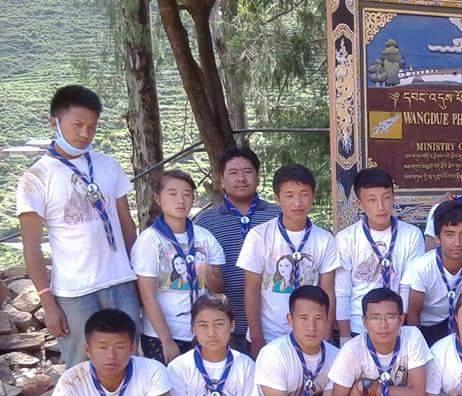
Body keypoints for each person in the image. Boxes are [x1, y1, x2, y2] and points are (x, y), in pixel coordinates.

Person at [17, 85, 140, 367]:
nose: (85, 133)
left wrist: (138, 277)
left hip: (121, 282)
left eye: (92, 127)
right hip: (75, 293)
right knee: (82, 368)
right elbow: (31, 247)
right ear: (54, 123)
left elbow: (126, 224)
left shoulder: (108, 166)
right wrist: (48, 302)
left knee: (128, 362)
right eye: (77, 124)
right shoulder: (36, 177)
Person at [237, 164, 339, 357]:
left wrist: (325, 337)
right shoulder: (259, 236)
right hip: (270, 335)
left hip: (311, 336)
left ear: (313, 196)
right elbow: (251, 289)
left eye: (304, 194)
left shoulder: (325, 239)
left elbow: (328, 291)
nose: (297, 202)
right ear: (277, 198)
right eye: (289, 195)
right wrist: (257, 338)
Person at [132, 170, 225, 364]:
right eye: (172, 194)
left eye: (187, 194)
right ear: (158, 198)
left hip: (202, 332)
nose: (180, 200)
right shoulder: (150, 241)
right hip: (161, 335)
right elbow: (147, 296)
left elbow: (218, 290)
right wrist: (166, 340)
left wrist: (209, 276)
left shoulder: (205, 237)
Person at [195, 147, 281, 354]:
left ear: (258, 177)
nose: (241, 178)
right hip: (222, 326)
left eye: (248, 171)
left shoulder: (278, 216)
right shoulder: (205, 222)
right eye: (233, 173)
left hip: (272, 325)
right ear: (221, 181)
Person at [335, 168, 425, 342]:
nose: (381, 206)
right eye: (372, 200)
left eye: (386, 197)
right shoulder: (346, 238)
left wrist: (399, 324)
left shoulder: (411, 235)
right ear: (359, 204)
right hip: (358, 326)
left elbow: (408, 286)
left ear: (394, 198)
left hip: (396, 324)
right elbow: (342, 292)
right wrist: (345, 337)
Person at [401, 201, 462, 345]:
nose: (457, 242)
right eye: (450, 234)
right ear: (438, 238)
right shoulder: (422, 267)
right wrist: (419, 345)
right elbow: (413, 314)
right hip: (429, 325)